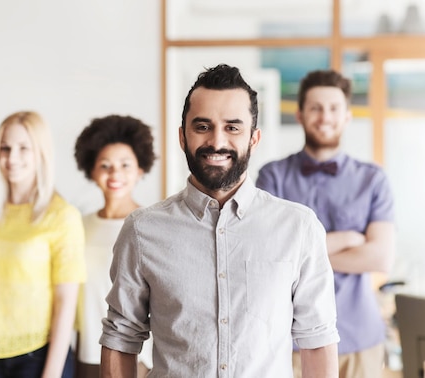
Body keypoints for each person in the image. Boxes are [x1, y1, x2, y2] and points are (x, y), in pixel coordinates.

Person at [99, 64, 340, 377]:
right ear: (182, 137)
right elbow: (120, 338)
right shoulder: (142, 230)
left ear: (254, 138)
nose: (216, 141)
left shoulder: (299, 227)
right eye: (202, 127)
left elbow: (317, 340)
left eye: (232, 127)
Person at [256, 69, 396, 378]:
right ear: (300, 115)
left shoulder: (372, 179)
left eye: (334, 108)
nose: (325, 116)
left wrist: (301, 258)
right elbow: (268, 257)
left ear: (347, 116)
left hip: (360, 339)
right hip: (289, 341)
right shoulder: (272, 176)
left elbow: (380, 257)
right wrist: (347, 238)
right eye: (316, 108)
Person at [0, 111, 86, 378]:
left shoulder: (62, 215)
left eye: (24, 148)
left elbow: (66, 303)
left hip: (39, 357)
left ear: (41, 153)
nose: (12, 158)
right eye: (5, 148)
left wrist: (50, 374)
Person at [73, 115, 156, 378]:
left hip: (137, 356)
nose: (115, 174)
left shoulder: (152, 224)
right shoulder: (77, 225)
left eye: (125, 165)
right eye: (105, 165)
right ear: (92, 170)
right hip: (84, 352)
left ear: (140, 169)